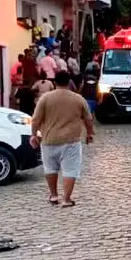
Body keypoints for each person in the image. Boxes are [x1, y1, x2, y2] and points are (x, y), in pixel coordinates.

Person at [30, 71, 94, 208]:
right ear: (68, 82)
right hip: (71, 140)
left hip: (49, 139)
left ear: (54, 82)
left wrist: (34, 134)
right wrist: (89, 133)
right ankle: (67, 198)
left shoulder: (45, 98)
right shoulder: (78, 99)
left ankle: (53, 195)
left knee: (50, 168)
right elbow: (88, 119)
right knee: (70, 169)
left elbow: (35, 119)